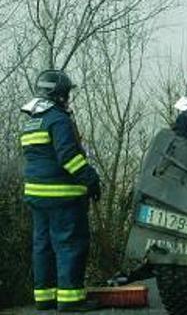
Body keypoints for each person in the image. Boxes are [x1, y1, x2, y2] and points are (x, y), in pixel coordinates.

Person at [21, 70, 101, 312]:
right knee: (70, 244)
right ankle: (70, 299)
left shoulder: (32, 121)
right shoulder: (59, 120)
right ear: (61, 94)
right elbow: (69, 157)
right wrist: (91, 180)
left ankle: (44, 298)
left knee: (42, 246)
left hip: (37, 196)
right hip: (63, 196)